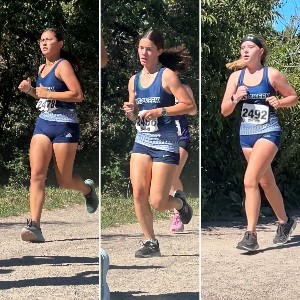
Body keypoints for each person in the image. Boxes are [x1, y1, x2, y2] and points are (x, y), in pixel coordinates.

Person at [18, 28, 99, 243]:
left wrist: (47, 93)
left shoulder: (63, 66)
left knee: (64, 180)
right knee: (37, 174)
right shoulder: (42, 67)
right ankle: (34, 225)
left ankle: (87, 189)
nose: (44, 43)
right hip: (44, 123)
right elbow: (43, 96)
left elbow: (78, 95)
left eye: (49, 40)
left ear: (60, 43)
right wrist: (30, 90)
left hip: (65, 126)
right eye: (42, 40)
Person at [221, 33, 298, 251]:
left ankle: (250, 235)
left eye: (250, 47)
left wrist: (279, 102)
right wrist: (236, 98)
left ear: (260, 51)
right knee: (266, 182)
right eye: (242, 47)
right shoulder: (236, 78)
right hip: (246, 135)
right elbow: (225, 111)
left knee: (249, 180)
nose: (245, 50)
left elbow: (293, 96)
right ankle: (285, 222)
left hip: (268, 131)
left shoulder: (271, 74)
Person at [123, 29, 196, 258]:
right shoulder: (134, 80)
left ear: (158, 51)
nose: (143, 53)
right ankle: (150, 242)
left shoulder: (167, 76)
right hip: (142, 141)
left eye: (148, 49)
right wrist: (132, 113)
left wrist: (161, 111)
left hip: (165, 143)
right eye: (140, 48)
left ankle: (179, 204)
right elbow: (136, 115)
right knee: (138, 193)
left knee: (158, 201)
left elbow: (190, 107)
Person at [160, 46, 197, 233]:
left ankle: (178, 214)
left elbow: (193, 110)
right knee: (166, 178)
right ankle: (181, 206)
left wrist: (178, 104)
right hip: (161, 138)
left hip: (180, 136)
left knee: (172, 175)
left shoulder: (184, 89)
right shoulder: (157, 89)